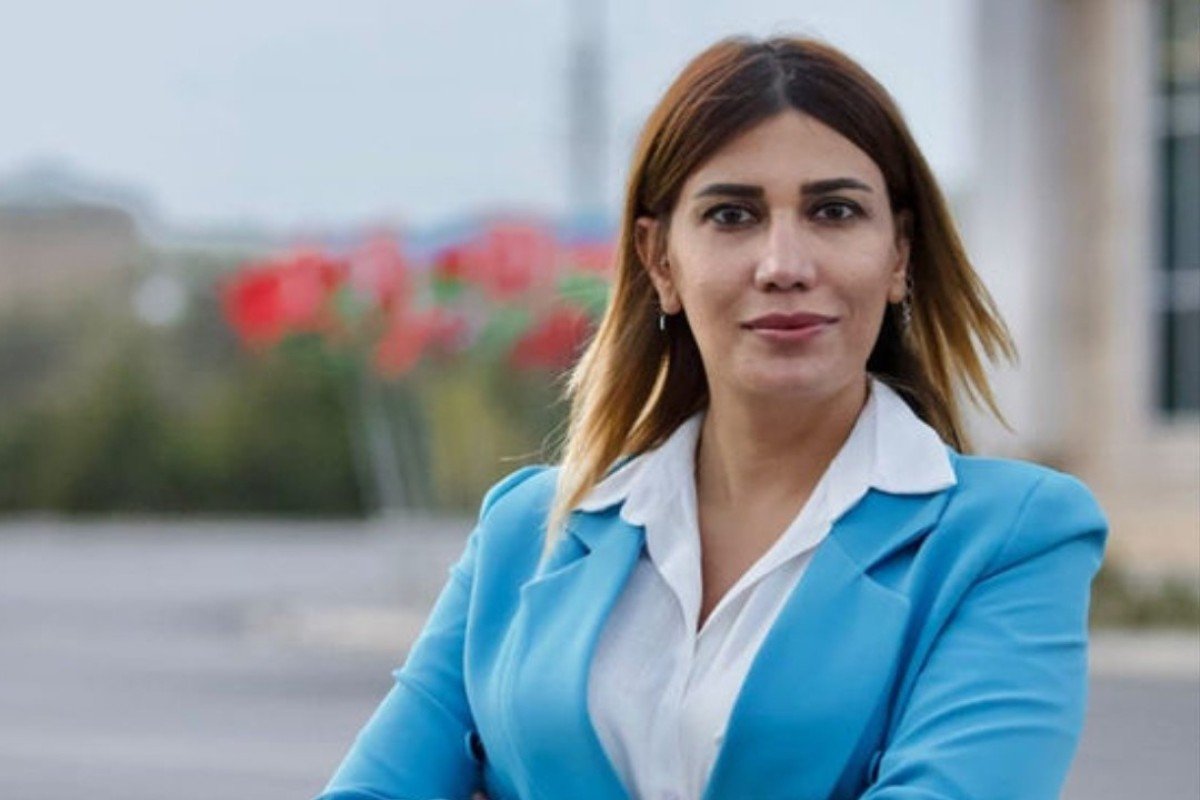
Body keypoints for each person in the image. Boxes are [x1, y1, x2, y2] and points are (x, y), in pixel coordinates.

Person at [316, 34, 1108, 800]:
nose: (785, 266)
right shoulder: (525, 532)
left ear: (899, 254)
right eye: (733, 216)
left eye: (834, 211)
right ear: (660, 260)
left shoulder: (1011, 537)